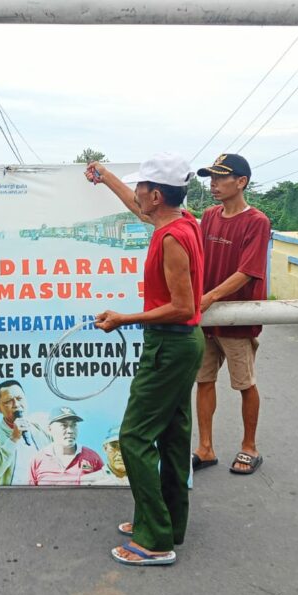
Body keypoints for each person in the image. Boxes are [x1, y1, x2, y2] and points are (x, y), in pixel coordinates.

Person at [85, 153, 204, 567]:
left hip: (169, 344)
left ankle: (154, 539)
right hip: (182, 345)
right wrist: (105, 177)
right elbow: (134, 206)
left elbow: (183, 306)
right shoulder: (182, 222)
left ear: (156, 194)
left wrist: (125, 319)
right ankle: (168, 520)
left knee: (134, 437)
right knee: (171, 434)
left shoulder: (171, 239)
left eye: (141, 188)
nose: (136, 195)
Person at [193, 153, 271, 475]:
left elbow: (247, 272)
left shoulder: (257, 222)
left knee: (244, 383)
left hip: (236, 318)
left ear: (241, 182)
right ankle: (205, 447)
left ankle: (249, 446)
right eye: (210, 177)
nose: (213, 184)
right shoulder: (209, 216)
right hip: (207, 318)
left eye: (220, 177)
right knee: (204, 380)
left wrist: (208, 297)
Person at [0, 380, 51, 486]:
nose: (16, 404)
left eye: (19, 398)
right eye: (9, 401)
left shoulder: (42, 431)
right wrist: (13, 438)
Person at [28, 406, 104, 485]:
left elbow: (105, 489)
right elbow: (30, 494)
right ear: (49, 429)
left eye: (73, 425)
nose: (70, 431)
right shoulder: (38, 460)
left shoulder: (92, 457)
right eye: (64, 425)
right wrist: (83, 480)